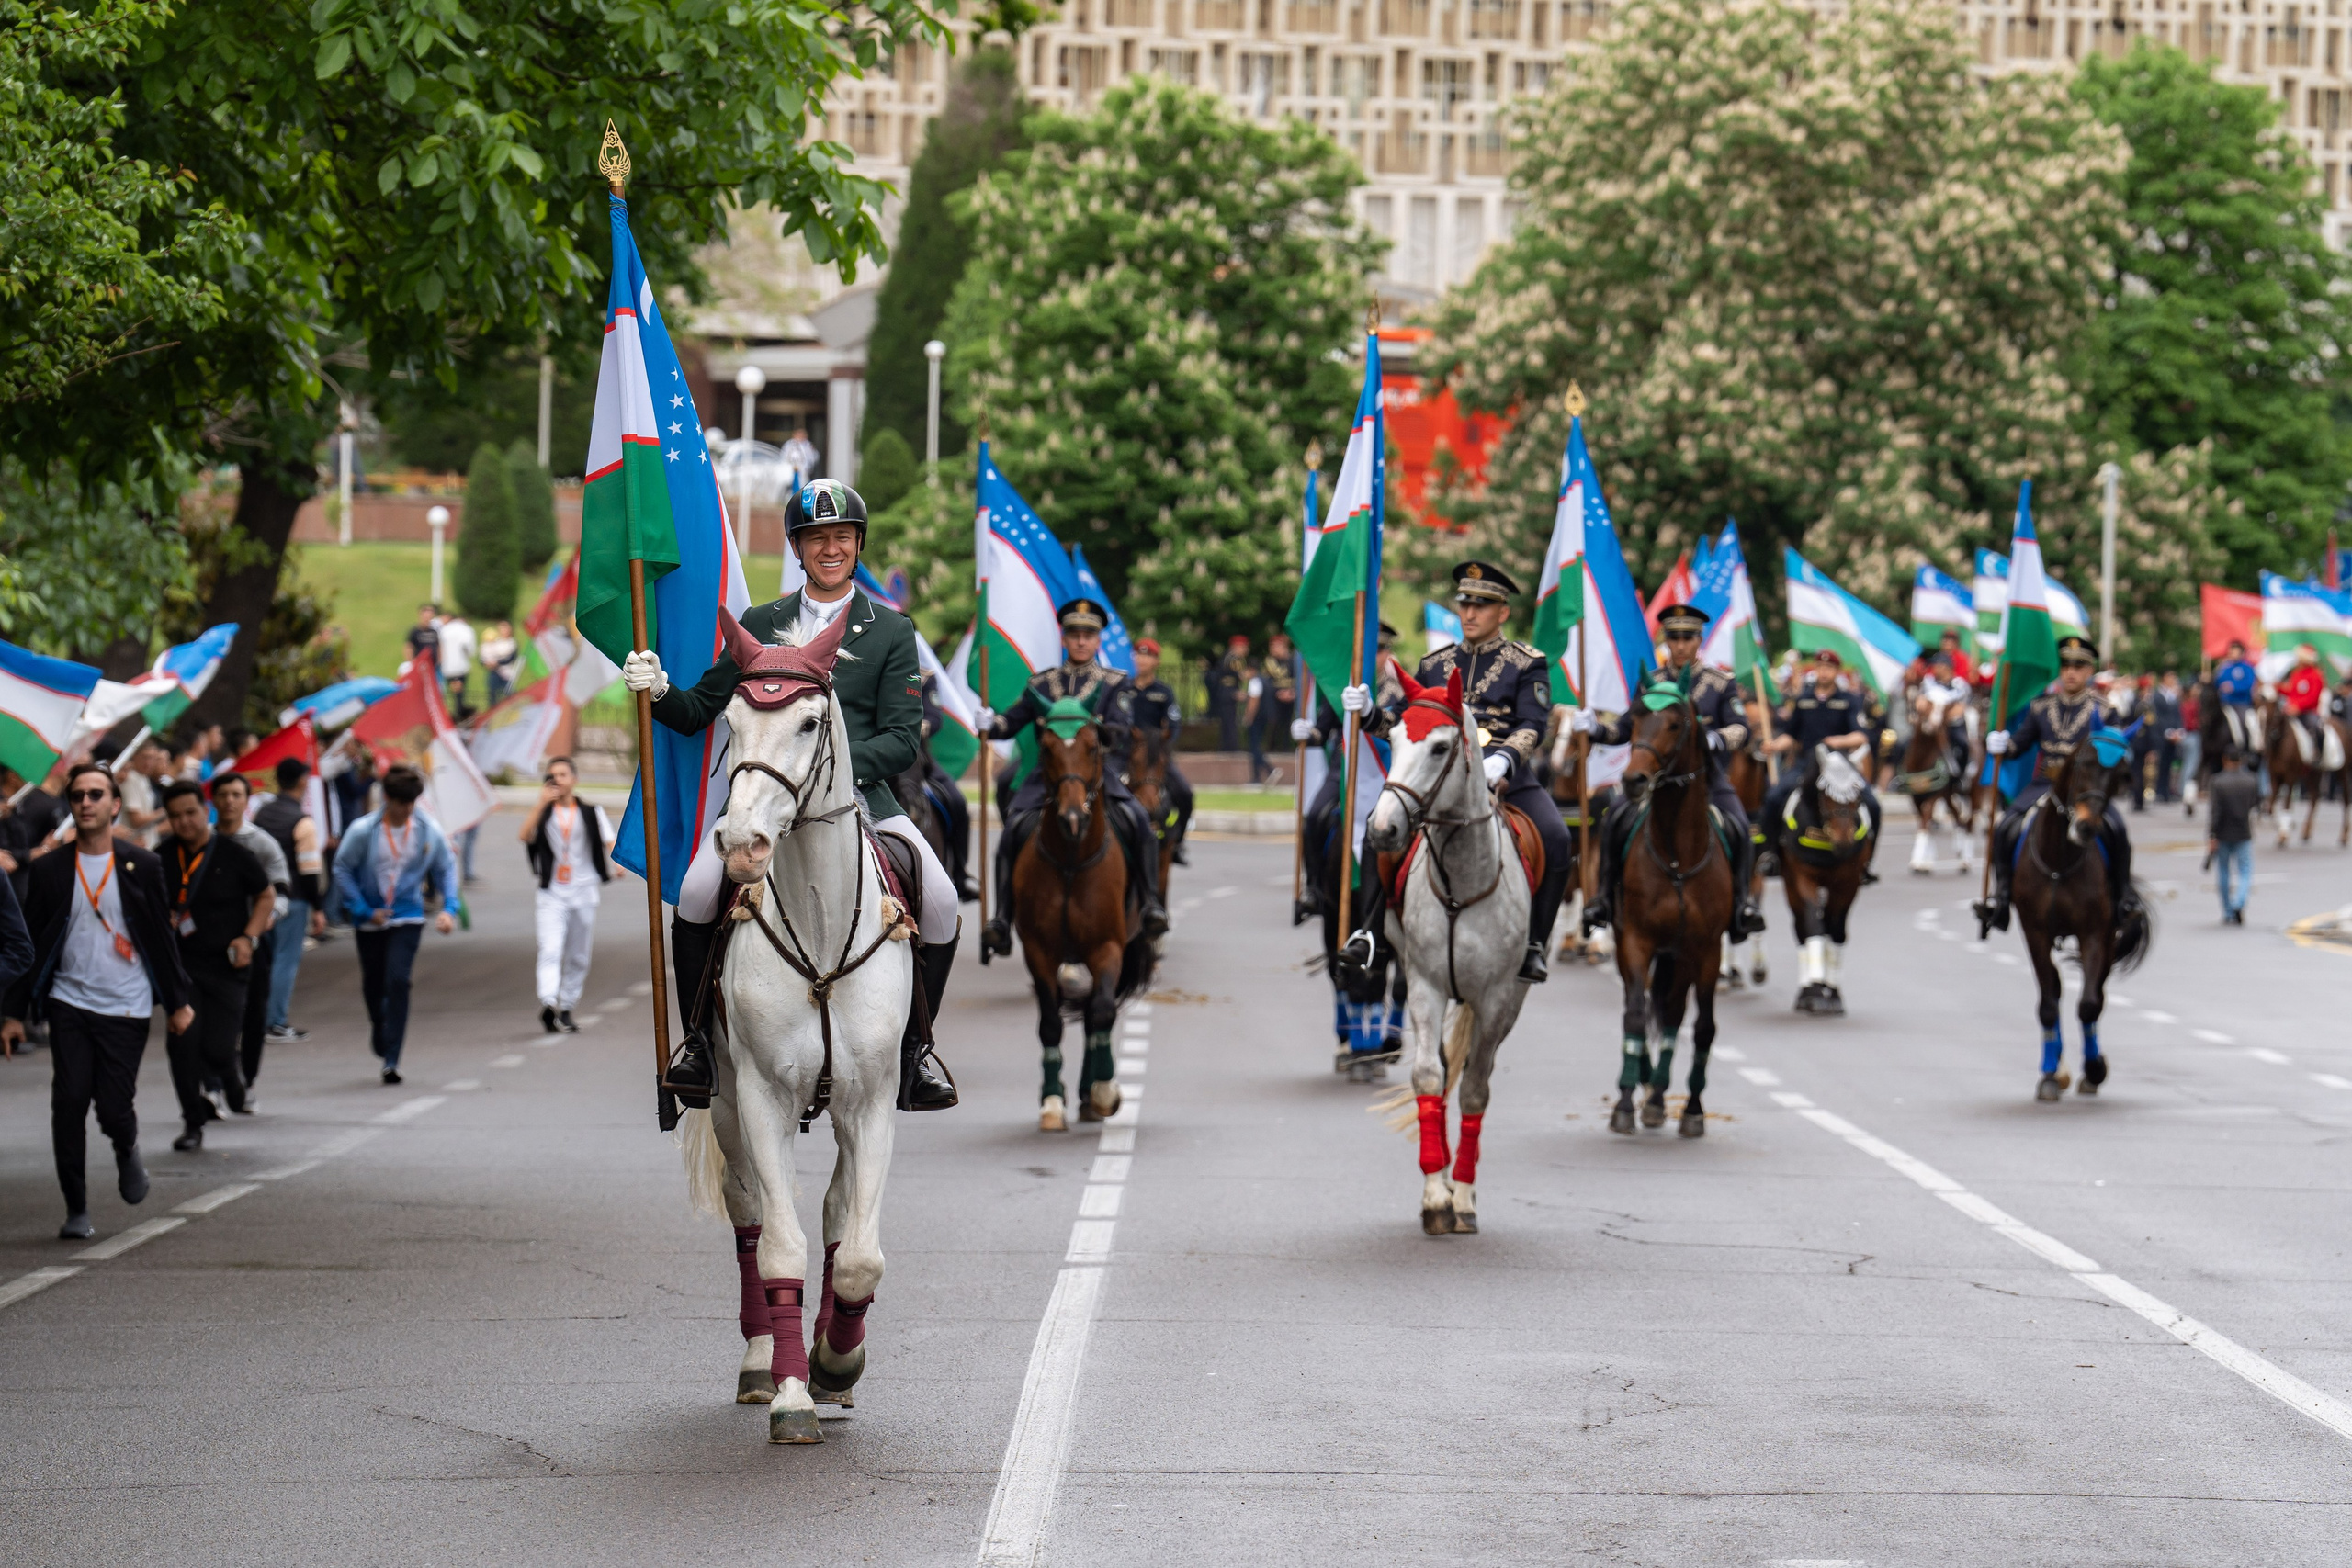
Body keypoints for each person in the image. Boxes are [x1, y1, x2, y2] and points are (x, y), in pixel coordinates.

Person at [622, 478, 960, 1113]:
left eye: (840, 537)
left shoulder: (890, 629)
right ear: (798, 549)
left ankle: (915, 1050)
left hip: (858, 801)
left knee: (940, 902)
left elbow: (900, 739)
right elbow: (700, 709)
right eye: (815, 538)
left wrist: (828, 773)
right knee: (697, 893)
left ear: (858, 545)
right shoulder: (760, 625)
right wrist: (659, 688)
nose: (829, 548)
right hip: (764, 802)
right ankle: (698, 1041)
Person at [1351, 561, 1575, 983]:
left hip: (1506, 777)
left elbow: (1533, 725)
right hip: (1440, 780)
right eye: (1465, 603)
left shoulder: (1527, 663)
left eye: (1482, 605)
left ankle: (1534, 944)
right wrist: (1368, 714)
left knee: (1558, 838)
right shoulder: (1435, 664)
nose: (1470, 613)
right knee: (1377, 830)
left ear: (1502, 612)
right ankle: (1369, 933)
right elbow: (1402, 724)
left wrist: (1504, 758)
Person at [3, 763, 185, 1240]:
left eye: (96, 794)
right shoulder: (49, 869)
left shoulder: (141, 864)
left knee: (113, 1107)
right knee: (68, 1101)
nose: (86, 802)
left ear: (114, 804)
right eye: (78, 795)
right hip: (69, 1002)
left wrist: (180, 1000)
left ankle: (125, 1146)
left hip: (126, 1003)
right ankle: (76, 1207)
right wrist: (11, 1015)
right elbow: (29, 944)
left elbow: (161, 938)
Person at [976, 595, 1172, 959]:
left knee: (1140, 826)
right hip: (1048, 779)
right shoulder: (1043, 683)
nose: (1081, 640)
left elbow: (1121, 729)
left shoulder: (1116, 683)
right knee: (1014, 831)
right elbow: (1014, 720)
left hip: (1099, 777)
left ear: (1098, 641)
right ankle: (1002, 918)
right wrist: (992, 723)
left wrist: (1090, 728)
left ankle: (1150, 906)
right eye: (1074, 634)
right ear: (1063, 638)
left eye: (1088, 634)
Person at [1574, 601, 1768, 941]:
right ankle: (1603, 898)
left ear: (1699, 640)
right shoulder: (1652, 683)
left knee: (1739, 826)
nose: (1680, 645)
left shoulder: (1720, 683)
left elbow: (1741, 729)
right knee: (1615, 818)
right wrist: (1594, 729)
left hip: (1707, 782)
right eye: (1674, 637)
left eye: (1688, 637)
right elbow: (1624, 730)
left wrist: (1717, 739)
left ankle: (1742, 905)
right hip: (1656, 785)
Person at [1973, 635, 2141, 934]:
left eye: (2079, 666)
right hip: (2045, 785)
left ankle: (2122, 897)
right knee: (2006, 827)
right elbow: (2020, 745)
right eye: (2065, 666)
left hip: (2086, 791)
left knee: (2117, 830)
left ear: (2090, 671)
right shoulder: (2040, 708)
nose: (2071, 672)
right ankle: (2001, 898)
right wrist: (2002, 745)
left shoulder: (2105, 711)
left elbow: (2113, 756)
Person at [156, 779, 274, 1148]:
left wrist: (248, 937)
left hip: (227, 967)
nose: (184, 823)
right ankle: (192, 1123)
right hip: (182, 969)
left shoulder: (234, 854)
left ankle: (233, 1076)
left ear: (205, 810)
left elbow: (266, 897)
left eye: (190, 813)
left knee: (219, 1047)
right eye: (175, 816)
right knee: (182, 1043)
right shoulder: (159, 858)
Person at [331, 763, 458, 1084]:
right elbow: (342, 869)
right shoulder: (363, 831)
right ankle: (379, 1025)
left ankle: (392, 1057)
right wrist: (361, 908)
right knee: (374, 984)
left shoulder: (427, 830)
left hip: (407, 915)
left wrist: (449, 908)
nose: (406, 810)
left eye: (412, 803)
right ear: (387, 798)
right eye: (401, 802)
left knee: (398, 980)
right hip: (370, 917)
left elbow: (446, 867)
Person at [207, 771, 291, 1090]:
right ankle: (213, 1081)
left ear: (246, 800)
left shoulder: (261, 843)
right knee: (215, 1013)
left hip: (256, 939)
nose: (230, 801)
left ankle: (247, 1076)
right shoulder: (204, 841)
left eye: (236, 795)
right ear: (213, 800)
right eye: (223, 795)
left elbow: (282, 889)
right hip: (212, 941)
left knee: (254, 1010)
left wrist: (270, 915)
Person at [519, 757, 615, 1033]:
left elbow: (610, 841)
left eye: (562, 774)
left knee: (579, 955)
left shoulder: (589, 812)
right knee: (550, 949)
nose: (557, 780)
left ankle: (568, 1005)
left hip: (584, 892)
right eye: (552, 775)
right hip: (552, 893)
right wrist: (540, 803)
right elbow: (525, 835)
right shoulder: (544, 813)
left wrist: (617, 863)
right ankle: (549, 1002)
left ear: (573, 779)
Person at [1762, 649, 1878, 829]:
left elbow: (1861, 736)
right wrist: (1774, 746)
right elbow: (1791, 735)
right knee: (1773, 797)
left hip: (1839, 763)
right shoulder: (1802, 700)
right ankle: (1770, 852)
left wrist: (1837, 741)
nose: (1824, 672)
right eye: (1820, 667)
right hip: (1805, 763)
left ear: (1837, 671)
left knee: (1873, 804)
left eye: (1829, 668)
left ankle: (1868, 856)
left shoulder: (1849, 700)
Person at [255, 757, 325, 1042]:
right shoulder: (302, 822)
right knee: (286, 960)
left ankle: (259, 1019)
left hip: (262, 898)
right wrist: (318, 907)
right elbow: (309, 870)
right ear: (302, 781)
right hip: (293, 899)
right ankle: (276, 1022)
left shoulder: (262, 814)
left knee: (267, 961)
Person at [1128, 637, 1193, 866]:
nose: (1142, 659)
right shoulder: (1124, 690)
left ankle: (1178, 843)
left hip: (1156, 757)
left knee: (1185, 794)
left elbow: (1174, 724)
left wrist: (1163, 748)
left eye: (1147, 656)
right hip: (1128, 756)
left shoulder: (1164, 692)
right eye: (1138, 655)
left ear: (1156, 661)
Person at [2207, 745, 2259, 926]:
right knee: (2245, 870)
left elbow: (2215, 811)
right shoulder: (2251, 780)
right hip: (2244, 831)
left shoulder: (2217, 781)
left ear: (2225, 760)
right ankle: (2239, 901)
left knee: (2223, 871)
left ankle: (2228, 910)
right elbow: (2254, 804)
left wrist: (2212, 834)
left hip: (2222, 832)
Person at [118, 738, 169, 848]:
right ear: (135, 756)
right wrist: (164, 812)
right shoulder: (131, 779)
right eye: (145, 757)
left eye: (152, 758)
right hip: (134, 844)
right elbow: (137, 820)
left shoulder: (144, 779)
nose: (148, 763)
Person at [2280, 643, 2328, 751]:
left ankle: (2318, 753)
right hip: (2290, 710)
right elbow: (2291, 691)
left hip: (2308, 712)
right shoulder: (2296, 674)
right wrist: (2277, 688)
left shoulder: (2315, 675)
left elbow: (2313, 697)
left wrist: (2298, 707)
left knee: (2316, 728)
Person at [2149, 671, 2186, 805]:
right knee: (2161, 764)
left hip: (2173, 736)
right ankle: (2159, 791)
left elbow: (2177, 716)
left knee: (2170, 764)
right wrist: (2168, 732)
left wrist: (2179, 731)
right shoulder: (2157, 696)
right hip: (2161, 736)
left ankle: (2166, 791)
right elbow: (2158, 717)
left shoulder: (2173, 696)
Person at [1210, 635, 1250, 752]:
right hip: (1227, 693)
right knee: (1230, 723)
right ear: (1236, 646)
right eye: (1244, 647)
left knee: (1228, 722)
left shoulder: (1228, 657)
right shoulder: (1233, 659)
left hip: (1226, 692)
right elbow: (1240, 676)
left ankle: (1227, 748)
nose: (1246, 650)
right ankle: (1231, 749)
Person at [437, 611, 478, 719]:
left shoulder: (444, 630)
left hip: (446, 669)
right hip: (460, 668)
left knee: (450, 693)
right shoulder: (467, 630)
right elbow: (470, 651)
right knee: (459, 694)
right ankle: (460, 714)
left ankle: (453, 714)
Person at [481, 619, 521, 706]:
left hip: (507, 674)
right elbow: (484, 655)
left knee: (510, 695)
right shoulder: (494, 642)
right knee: (493, 695)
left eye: (505, 628)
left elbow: (510, 658)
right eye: (501, 628)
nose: (503, 630)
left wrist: (497, 663)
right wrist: (485, 663)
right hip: (494, 673)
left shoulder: (512, 643)